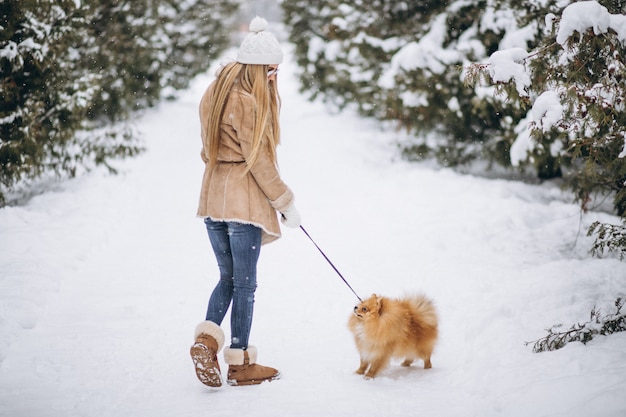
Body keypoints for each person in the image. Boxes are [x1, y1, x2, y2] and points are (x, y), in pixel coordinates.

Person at [189, 16, 301, 388]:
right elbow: (259, 161)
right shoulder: (247, 102)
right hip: (242, 205)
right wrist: (285, 202)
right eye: (270, 70)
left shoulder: (215, 93)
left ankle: (205, 343)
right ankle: (239, 363)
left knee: (228, 277)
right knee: (246, 285)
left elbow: (208, 151)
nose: (273, 77)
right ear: (256, 67)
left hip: (213, 201)